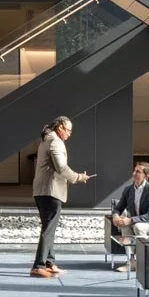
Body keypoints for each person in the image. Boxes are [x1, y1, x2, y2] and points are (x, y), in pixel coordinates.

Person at [30, 115, 90, 278]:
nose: (70, 134)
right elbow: (61, 168)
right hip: (50, 190)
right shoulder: (55, 141)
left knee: (49, 227)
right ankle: (38, 265)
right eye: (68, 130)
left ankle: (49, 262)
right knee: (48, 228)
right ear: (60, 127)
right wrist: (78, 177)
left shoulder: (47, 139)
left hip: (43, 190)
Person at [108, 161, 149, 272]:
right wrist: (115, 217)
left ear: (146, 175)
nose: (134, 173)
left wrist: (131, 220)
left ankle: (142, 262)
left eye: (138, 171)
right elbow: (118, 208)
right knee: (124, 225)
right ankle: (131, 262)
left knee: (138, 227)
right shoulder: (128, 190)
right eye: (134, 170)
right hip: (134, 221)